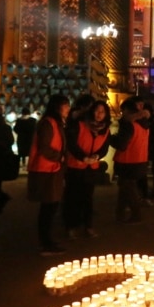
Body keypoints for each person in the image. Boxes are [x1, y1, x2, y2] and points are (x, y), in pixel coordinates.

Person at [27, 94, 70, 256]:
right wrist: (60, 156)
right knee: (48, 207)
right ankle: (45, 242)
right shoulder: (48, 123)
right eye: (65, 106)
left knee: (50, 206)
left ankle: (46, 240)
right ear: (57, 107)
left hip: (53, 169)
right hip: (47, 170)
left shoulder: (56, 123)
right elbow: (44, 147)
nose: (68, 109)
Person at [63, 99, 110, 238]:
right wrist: (83, 157)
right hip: (75, 166)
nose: (99, 114)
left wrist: (97, 156)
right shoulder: (80, 125)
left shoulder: (105, 130)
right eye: (96, 111)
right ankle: (71, 226)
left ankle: (88, 226)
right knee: (72, 197)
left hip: (91, 167)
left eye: (102, 112)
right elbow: (72, 144)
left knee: (88, 198)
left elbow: (104, 148)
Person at [112, 96, 151, 224]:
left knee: (128, 188)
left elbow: (122, 144)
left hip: (127, 161)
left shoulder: (129, 125)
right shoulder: (144, 124)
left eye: (123, 111)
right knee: (125, 188)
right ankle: (120, 213)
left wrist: (110, 138)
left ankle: (136, 214)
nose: (122, 114)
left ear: (128, 110)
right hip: (140, 160)